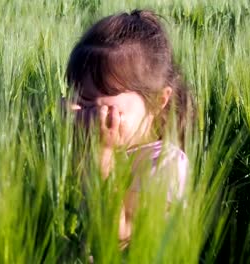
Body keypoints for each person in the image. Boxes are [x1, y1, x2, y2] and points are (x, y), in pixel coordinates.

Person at [63, 9, 194, 249]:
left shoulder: (166, 163)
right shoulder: (82, 142)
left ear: (157, 101)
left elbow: (119, 235)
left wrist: (102, 155)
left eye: (102, 108)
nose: (88, 117)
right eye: (82, 102)